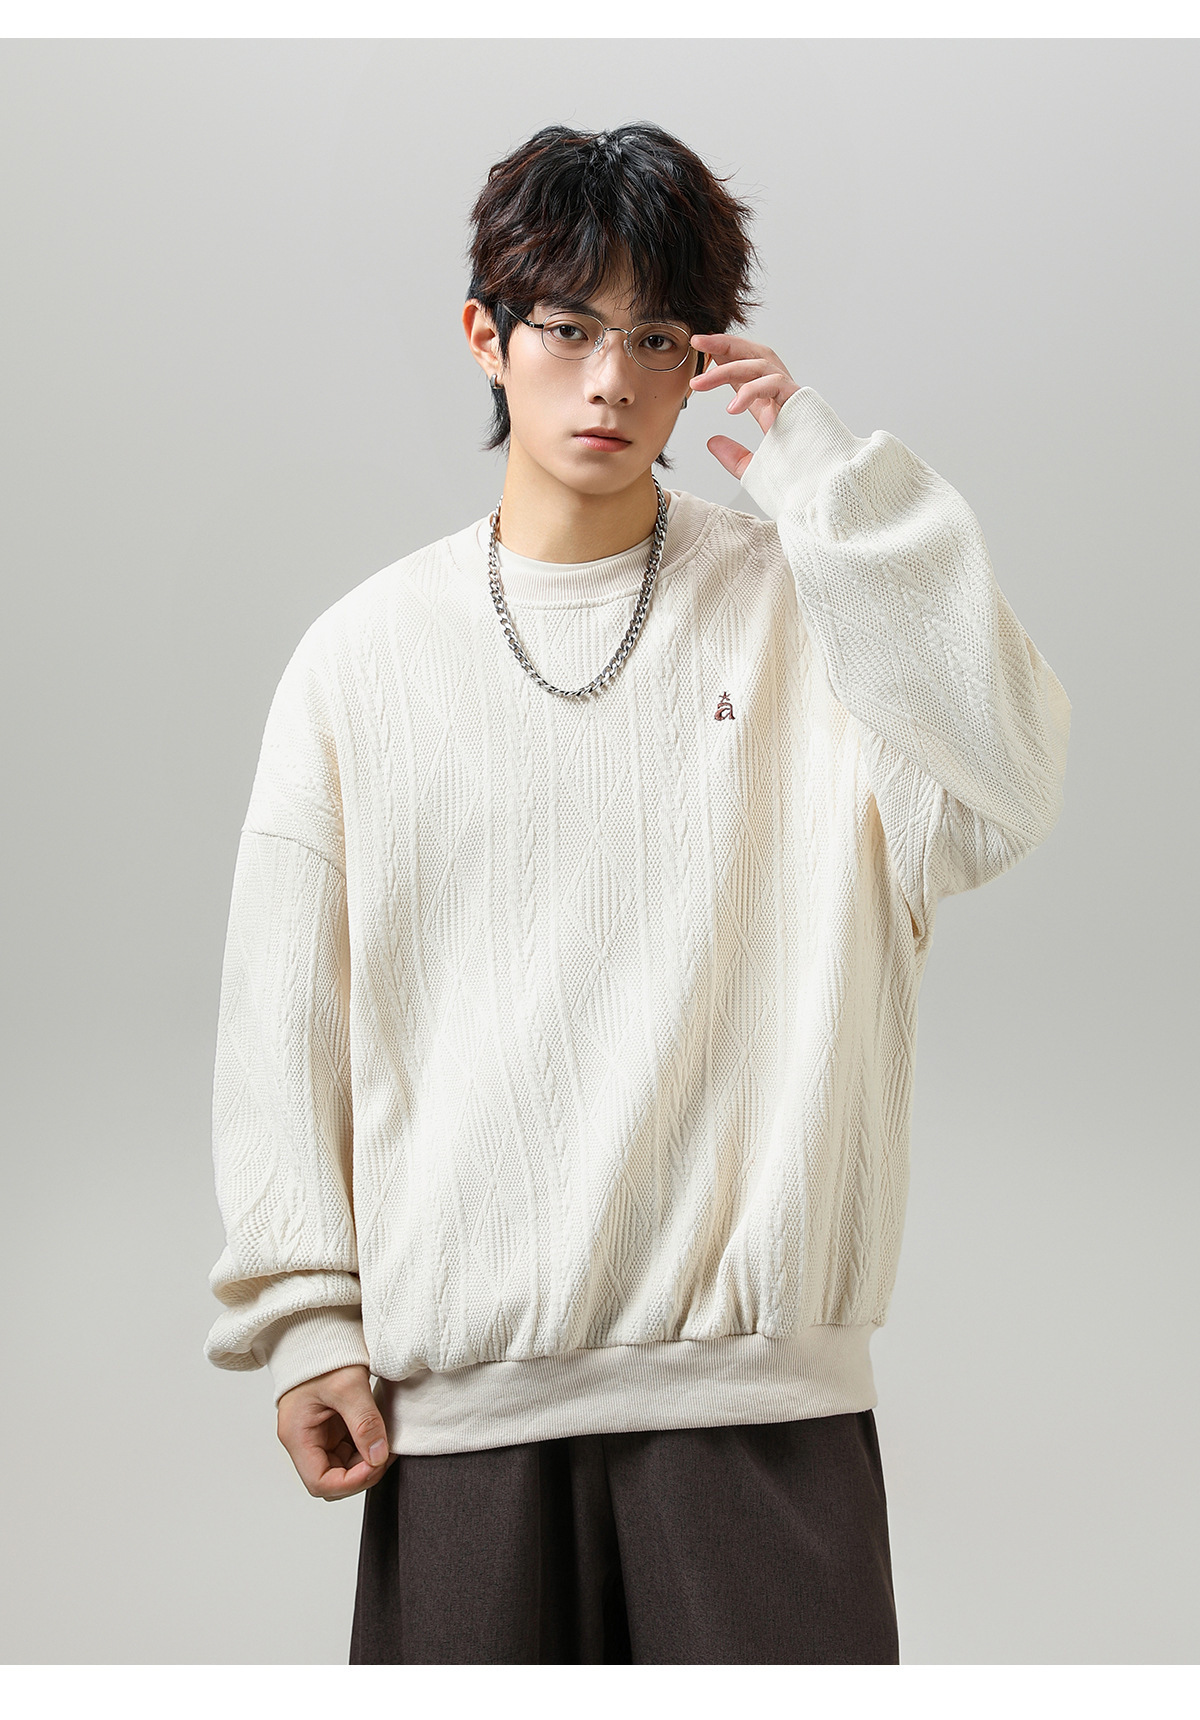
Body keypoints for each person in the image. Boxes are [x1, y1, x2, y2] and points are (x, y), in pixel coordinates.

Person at [202, 122, 1071, 1665]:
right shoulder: (362, 658)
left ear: (701, 361)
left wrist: (832, 487)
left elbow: (1003, 773)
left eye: (656, 337)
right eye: (567, 328)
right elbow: (283, 1020)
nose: (609, 379)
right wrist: (306, 1321)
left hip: (761, 1407)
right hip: (462, 1417)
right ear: (487, 335)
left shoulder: (814, 612)